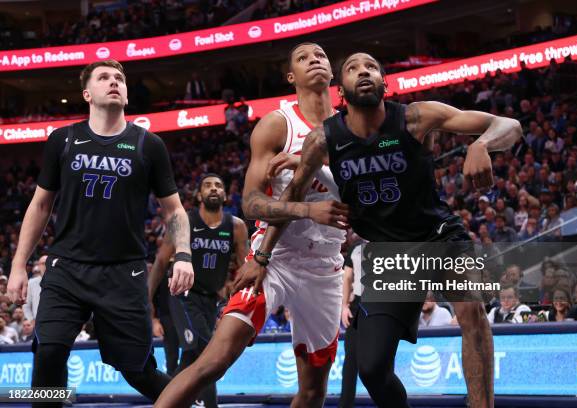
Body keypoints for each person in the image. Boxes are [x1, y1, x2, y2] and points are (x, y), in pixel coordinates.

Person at [237, 52, 523, 408]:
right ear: (341, 90)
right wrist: (261, 255)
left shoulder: (417, 117)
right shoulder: (323, 141)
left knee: (471, 311)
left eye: (372, 66)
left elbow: (509, 125)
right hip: (389, 253)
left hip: (438, 235)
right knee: (371, 369)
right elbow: (293, 195)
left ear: (385, 82)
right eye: (354, 68)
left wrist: (481, 143)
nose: (364, 71)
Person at [155, 43, 348, 408]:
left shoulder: (351, 127)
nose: (315, 61)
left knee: (313, 391)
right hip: (273, 259)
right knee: (213, 362)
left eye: (322, 55)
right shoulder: (278, 123)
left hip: (325, 268)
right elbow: (251, 202)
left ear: (332, 71)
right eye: (304, 58)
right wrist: (305, 211)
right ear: (291, 77)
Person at [6, 59, 194, 407]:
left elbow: (174, 210)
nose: (114, 82)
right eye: (104, 77)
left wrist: (183, 254)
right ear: (86, 93)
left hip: (124, 272)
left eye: (119, 78)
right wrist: (19, 264)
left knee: (137, 370)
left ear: (125, 93)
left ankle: (189, 404)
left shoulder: (148, 145)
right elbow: (40, 206)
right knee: (48, 353)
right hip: (67, 268)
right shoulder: (63, 140)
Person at [148, 173, 248, 408]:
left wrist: (237, 297)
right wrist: (148, 303)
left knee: (195, 357)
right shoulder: (184, 222)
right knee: (204, 348)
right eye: (208, 185)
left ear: (226, 194)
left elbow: (244, 268)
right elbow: (161, 262)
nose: (213, 189)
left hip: (211, 299)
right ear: (199, 194)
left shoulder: (236, 226)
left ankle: (171, 399)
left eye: (218, 185)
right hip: (183, 294)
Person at [338, 235, 368, 408]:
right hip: (357, 307)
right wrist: (344, 307)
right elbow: (347, 277)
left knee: (381, 362)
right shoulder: (356, 247)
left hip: (382, 308)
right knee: (351, 362)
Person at [24, 255, 46, 322]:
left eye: (47, 263)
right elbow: (26, 305)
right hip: (37, 321)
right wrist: (31, 320)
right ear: (38, 266)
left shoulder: (58, 281)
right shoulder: (31, 282)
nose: (45, 266)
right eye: (43, 263)